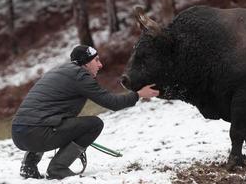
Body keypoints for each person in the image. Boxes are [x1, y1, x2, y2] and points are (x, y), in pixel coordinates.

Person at [11, 45, 159, 180]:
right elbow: (112, 103)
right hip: (37, 134)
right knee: (94, 124)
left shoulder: (59, 70)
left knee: (46, 120)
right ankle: (58, 168)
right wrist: (138, 94)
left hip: (18, 134)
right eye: (96, 60)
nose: (100, 65)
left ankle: (29, 166)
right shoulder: (80, 76)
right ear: (86, 63)